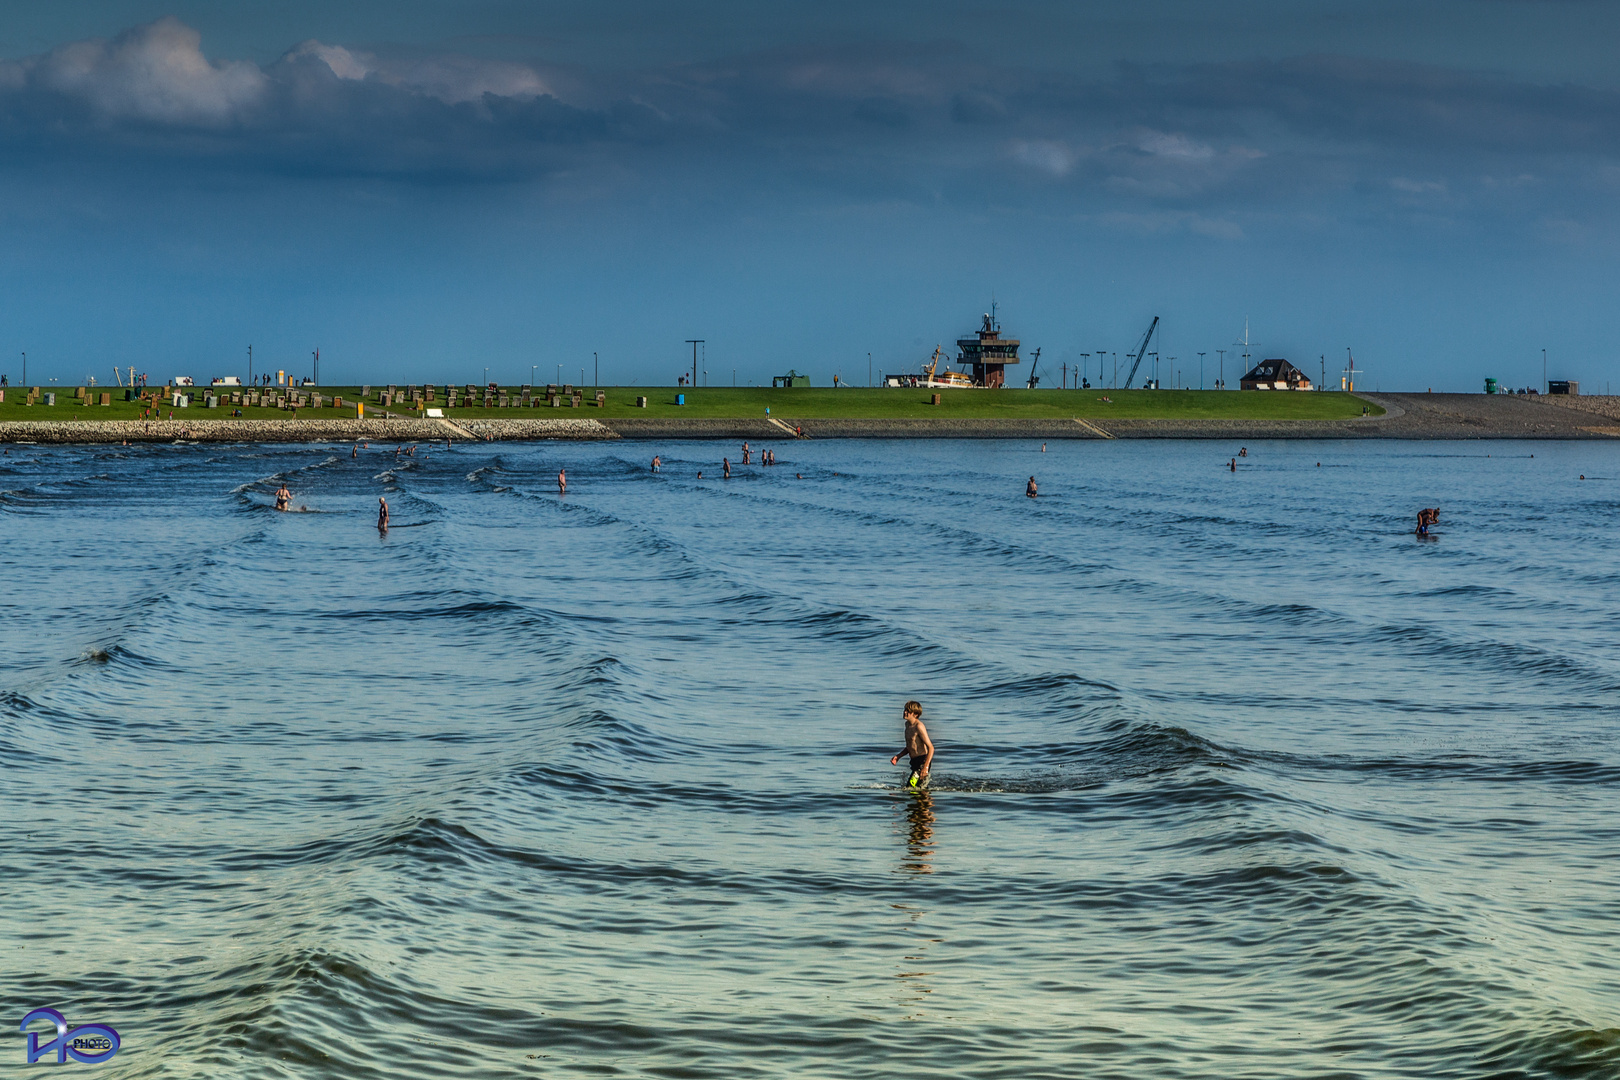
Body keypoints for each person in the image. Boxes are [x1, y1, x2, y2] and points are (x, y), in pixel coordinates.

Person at [889, 700, 934, 789]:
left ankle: (926, 802)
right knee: (916, 788)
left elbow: (931, 748)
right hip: (914, 761)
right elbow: (910, 745)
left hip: (922, 762)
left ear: (915, 714)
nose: (905, 712)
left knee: (911, 787)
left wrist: (925, 767)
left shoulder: (919, 726)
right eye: (905, 710)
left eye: (908, 711)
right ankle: (923, 801)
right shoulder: (907, 725)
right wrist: (898, 756)